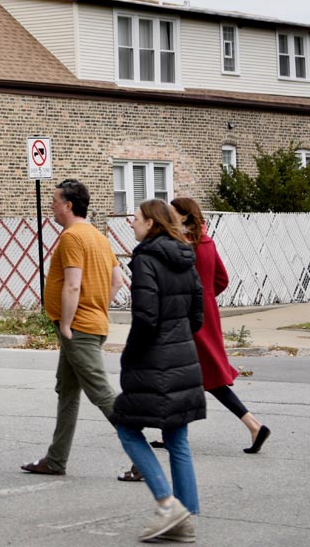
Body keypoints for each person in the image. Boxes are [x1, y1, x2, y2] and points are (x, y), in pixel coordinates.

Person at [112, 199, 205, 543]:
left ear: (151, 224)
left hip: (153, 361)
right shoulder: (186, 256)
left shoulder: (146, 259)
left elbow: (146, 318)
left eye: (135, 218)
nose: (130, 222)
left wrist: (130, 355)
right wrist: (177, 338)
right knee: (177, 437)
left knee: (125, 425)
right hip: (183, 356)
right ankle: (186, 514)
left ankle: (168, 504)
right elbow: (198, 315)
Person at [22, 179, 125, 477]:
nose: (52, 206)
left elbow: (73, 284)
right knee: (67, 392)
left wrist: (67, 324)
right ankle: (55, 460)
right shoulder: (98, 236)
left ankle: (142, 456)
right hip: (90, 324)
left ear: (68, 205)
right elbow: (117, 281)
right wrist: (98, 308)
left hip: (78, 329)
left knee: (102, 394)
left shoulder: (72, 238)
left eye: (55, 201)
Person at [171, 197, 270, 454]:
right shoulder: (207, 241)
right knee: (189, 374)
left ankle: (254, 424)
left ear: (184, 216)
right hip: (207, 312)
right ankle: (171, 432)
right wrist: (205, 297)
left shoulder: (184, 245)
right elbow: (222, 279)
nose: (169, 216)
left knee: (204, 376)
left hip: (189, 316)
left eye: (173, 212)